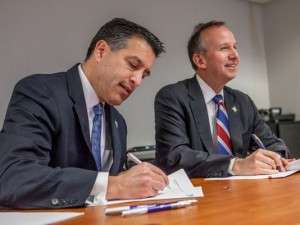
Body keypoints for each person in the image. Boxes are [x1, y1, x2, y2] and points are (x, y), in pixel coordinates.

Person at [0, 18, 168, 209]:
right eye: (132, 65)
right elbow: (13, 177)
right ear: (101, 51)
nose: (137, 80)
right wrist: (115, 184)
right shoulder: (39, 92)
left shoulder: (118, 123)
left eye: (144, 75)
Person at [155, 21, 289, 178]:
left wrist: (276, 157)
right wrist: (235, 165)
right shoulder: (173, 96)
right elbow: (175, 157)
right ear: (200, 60)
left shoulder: (242, 101)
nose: (235, 55)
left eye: (235, 47)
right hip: (200, 194)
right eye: (224, 48)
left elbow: (273, 144)